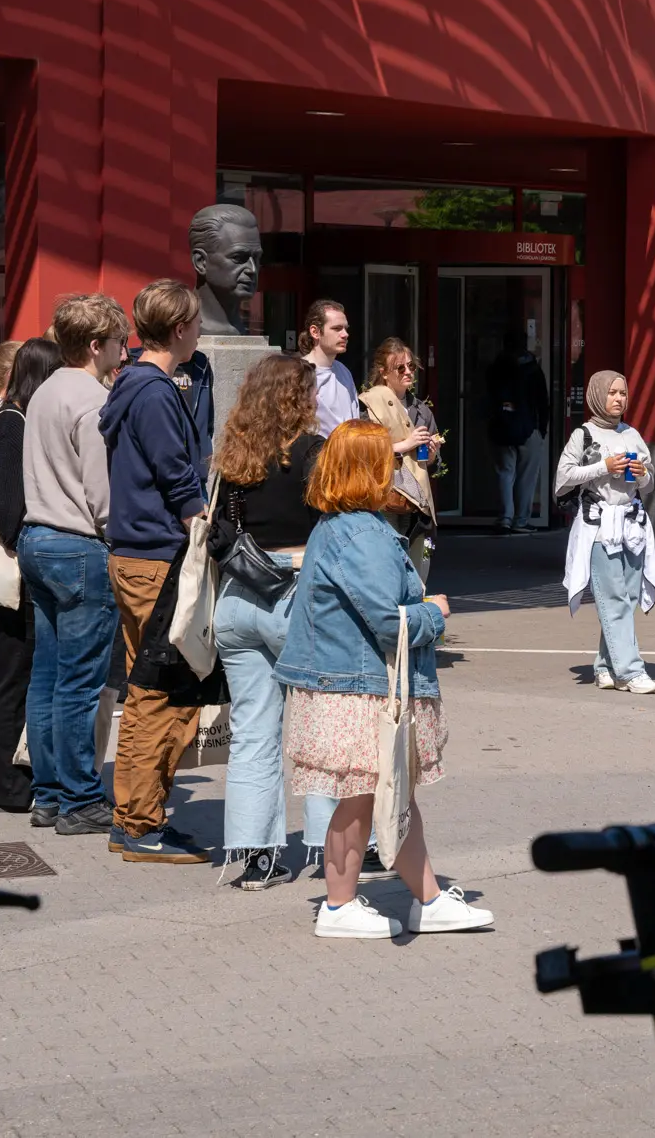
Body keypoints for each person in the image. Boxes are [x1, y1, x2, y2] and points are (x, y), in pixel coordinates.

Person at [276, 419, 494, 939]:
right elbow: (387, 618)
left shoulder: (344, 525)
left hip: (356, 681)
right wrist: (434, 612)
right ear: (367, 469)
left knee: (387, 794)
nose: (396, 469)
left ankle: (427, 898)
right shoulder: (362, 532)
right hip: (357, 685)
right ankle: (340, 906)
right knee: (364, 796)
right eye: (388, 461)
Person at [101, 280, 212, 865]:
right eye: (195, 323)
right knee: (157, 693)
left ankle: (139, 818)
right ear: (178, 329)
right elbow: (176, 475)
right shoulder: (152, 389)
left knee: (149, 688)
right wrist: (202, 517)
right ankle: (139, 822)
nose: (199, 333)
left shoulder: (138, 383)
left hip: (139, 553)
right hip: (155, 556)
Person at [213, 354, 326, 890]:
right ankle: (334, 848)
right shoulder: (312, 452)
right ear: (295, 397)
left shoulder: (234, 455)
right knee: (322, 728)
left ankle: (257, 857)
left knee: (252, 734)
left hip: (238, 596)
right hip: (295, 589)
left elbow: (218, 530)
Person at [18, 292, 128, 836]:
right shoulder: (91, 398)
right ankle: (81, 798)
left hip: (36, 538)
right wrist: (119, 535)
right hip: (78, 544)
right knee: (79, 683)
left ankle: (48, 793)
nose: (122, 351)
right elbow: (102, 493)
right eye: (117, 342)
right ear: (94, 344)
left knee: (48, 677)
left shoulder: (44, 392)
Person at [0, 339, 61, 815]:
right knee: (13, 676)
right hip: (14, 572)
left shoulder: (22, 421)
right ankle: (8, 786)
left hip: (23, 567)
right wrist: (26, 540)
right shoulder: (9, 424)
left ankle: (25, 776)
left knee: (24, 676)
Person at [555, 370, 655, 695]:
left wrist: (641, 474)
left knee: (625, 599)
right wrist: (605, 467)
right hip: (598, 526)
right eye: (612, 393)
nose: (618, 399)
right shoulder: (582, 435)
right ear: (598, 395)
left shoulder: (632, 434)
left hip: (631, 524)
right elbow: (563, 477)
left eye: (623, 393)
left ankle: (604, 666)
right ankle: (631, 671)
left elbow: (650, 481)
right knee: (613, 597)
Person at [358, 338, 439, 580]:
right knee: (387, 562)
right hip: (385, 496)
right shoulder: (368, 405)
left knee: (422, 555)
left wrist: (432, 452)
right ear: (383, 371)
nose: (408, 372)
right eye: (400, 368)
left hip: (418, 499)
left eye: (411, 366)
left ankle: (415, 601)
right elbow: (362, 452)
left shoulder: (421, 409)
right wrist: (405, 445)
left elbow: (434, 463)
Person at [487, 329, 551, 533]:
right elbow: (543, 400)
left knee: (505, 472)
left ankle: (505, 517)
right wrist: (542, 428)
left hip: (502, 426)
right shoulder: (532, 368)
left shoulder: (495, 367)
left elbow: (488, 397)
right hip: (528, 426)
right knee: (526, 476)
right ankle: (521, 520)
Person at [300, 299, 360, 435]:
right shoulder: (300, 374)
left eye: (346, 328)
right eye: (337, 328)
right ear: (315, 332)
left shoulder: (344, 371)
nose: (345, 334)